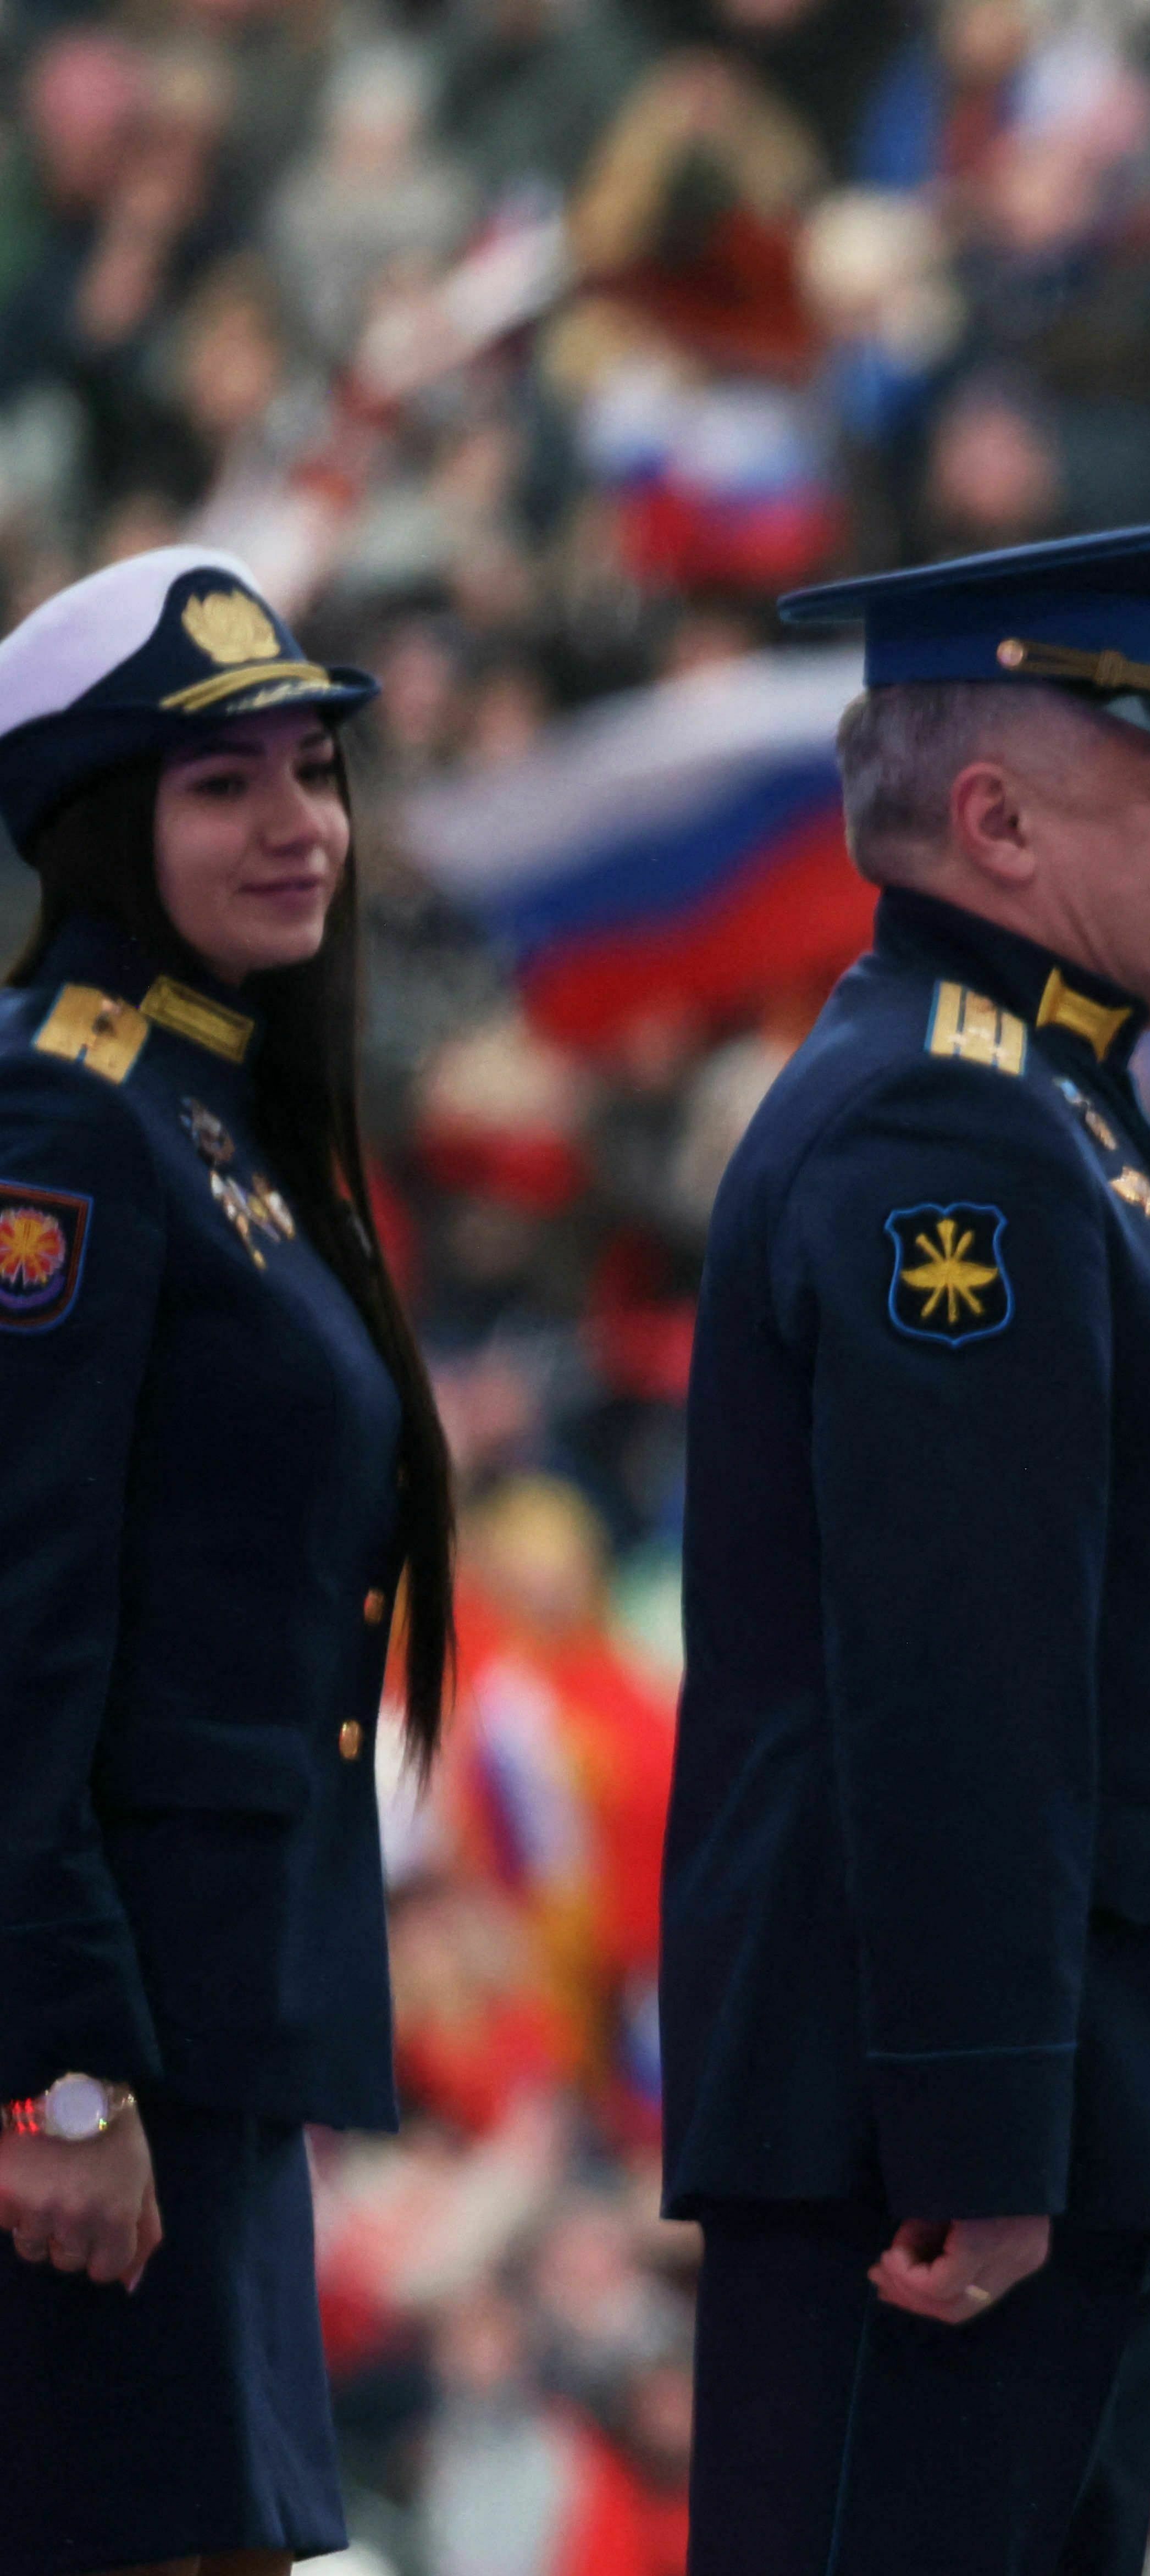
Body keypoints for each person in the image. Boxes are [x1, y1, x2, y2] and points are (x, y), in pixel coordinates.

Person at [663, 511, 1150, 2573]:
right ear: (992, 821)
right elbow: (956, 1672)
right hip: (947, 2165)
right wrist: (982, 2132)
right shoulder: (945, 1126)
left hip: (1037, 2136)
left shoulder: (1049, 1101)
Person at [0, 548, 456, 2576]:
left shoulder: (205, 1112)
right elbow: (17, 1641)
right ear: (106, 823)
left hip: (209, 2034)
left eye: (313, 771)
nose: (301, 828)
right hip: (113, 2051)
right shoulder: (62, 1117)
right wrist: (55, 2074)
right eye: (224, 786)